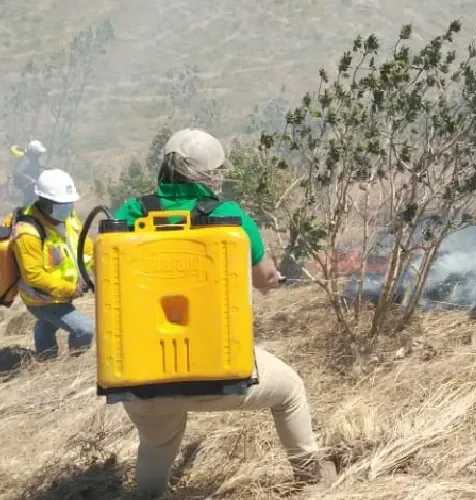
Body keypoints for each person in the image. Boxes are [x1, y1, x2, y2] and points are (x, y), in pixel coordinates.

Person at [112, 128, 336, 497]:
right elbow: (265, 278)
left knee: (157, 440)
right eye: (216, 169)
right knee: (291, 390)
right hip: (216, 372)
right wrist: (267, 282)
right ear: (206, 175)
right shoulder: (229, 215)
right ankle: (311, 477)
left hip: (140, 379)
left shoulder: (130, 212)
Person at [9, 168, 95, 359]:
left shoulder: (68, 217)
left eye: (69, 202)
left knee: (47, 324)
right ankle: (75, 362)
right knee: (85, 329)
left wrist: (98, 273)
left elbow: (85, 247)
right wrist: (69, 289)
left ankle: (46, 358)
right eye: (61, 204)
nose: (68, 207)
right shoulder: (27, 232)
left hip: (61, 292)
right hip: (42, 298)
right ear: (44, 202)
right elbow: (33, 275)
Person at [11, 139, 48, 205]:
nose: (40, 153)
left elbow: (36, 166)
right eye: (38, 152)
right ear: (34, 152)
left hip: (34, 184)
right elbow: (17, 172)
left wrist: (48, 169)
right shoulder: (26, 160)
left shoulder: (33, 159)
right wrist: (30, 179)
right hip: (26, 186)